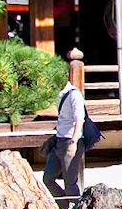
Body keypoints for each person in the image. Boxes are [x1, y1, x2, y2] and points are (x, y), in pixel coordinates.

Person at [42, 52, 98, 197]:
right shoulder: (58, 95)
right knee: (48, 178)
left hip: (70, 141)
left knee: (70, 183)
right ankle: (65, 207)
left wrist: (73, 142)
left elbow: (80, 119)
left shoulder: (74, 95)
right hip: (59, 141)